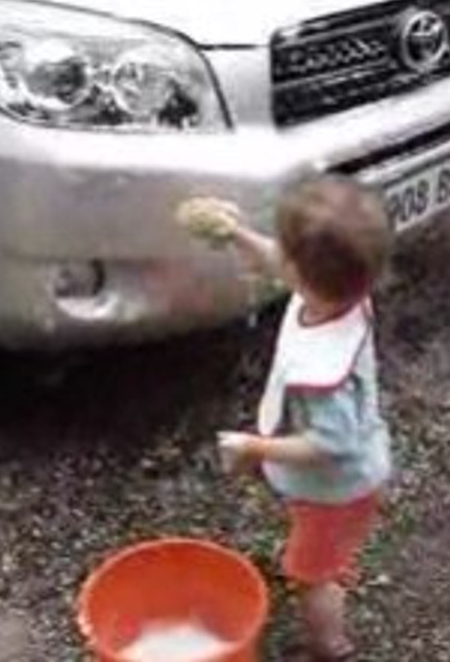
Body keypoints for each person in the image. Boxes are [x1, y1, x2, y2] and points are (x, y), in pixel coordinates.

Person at [178, 176, 394, 661]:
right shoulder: (347, 293)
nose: (279, 258)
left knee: (312, 576)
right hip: (345, 478)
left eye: (287, 254)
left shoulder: (324, 371)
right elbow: (282, 261)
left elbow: (330, 443)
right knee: (326, 549)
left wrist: (256, 448)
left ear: (301, 274)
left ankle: (329, 646)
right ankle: (333, 559)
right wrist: (234, 234)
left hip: (338, 485)